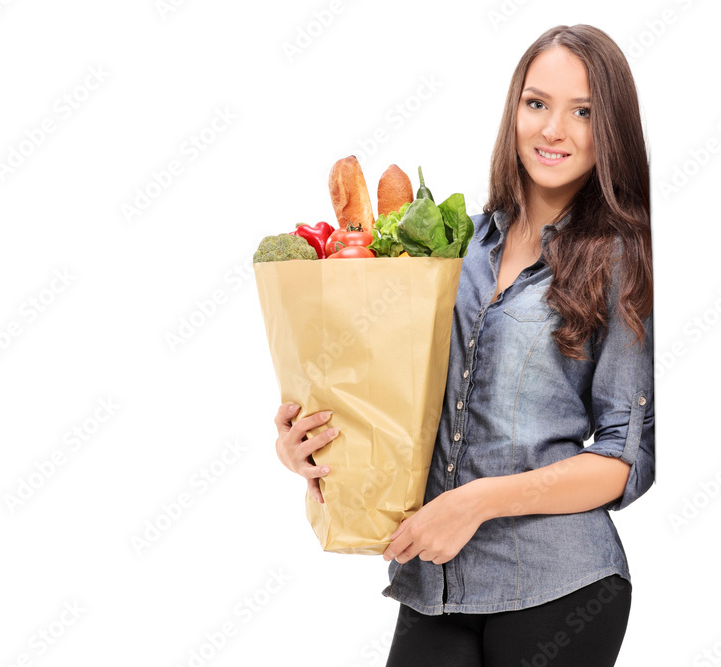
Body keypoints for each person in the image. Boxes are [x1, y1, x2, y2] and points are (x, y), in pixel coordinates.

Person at [274, 23, 654, 667]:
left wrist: (478, 502)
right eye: (537, 103)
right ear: (514, 110)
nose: (553, 129)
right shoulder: (450, 248)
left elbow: (625, 458)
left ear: (610, 128)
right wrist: (307, 444)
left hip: (561, 583)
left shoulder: (622, 260)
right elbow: (392, 400)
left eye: (583, 111)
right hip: (436, 584)